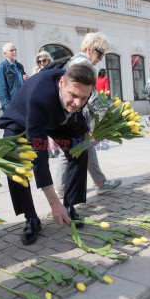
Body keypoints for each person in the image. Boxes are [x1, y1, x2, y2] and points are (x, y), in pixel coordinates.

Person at [0, 64, 95, 244]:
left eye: (84, 97)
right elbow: (38, 151)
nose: (78, 102)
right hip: (20, 120)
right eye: (73, 95)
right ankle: (31, 217)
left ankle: (70, 204)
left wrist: (85, 130)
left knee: (79, 149)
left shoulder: (78, 91)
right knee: (15, 164)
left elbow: (78, 112)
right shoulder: (39, 97)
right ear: (61, 83)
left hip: (55, 119)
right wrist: (53, 202)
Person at [54, 32, 121, 198]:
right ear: (90, 49)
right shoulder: (84, 64)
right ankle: (62, 188)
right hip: (77, 114)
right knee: (70, 149)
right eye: (100, 54)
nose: (100, 59)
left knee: (84, 146)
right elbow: (89, 95)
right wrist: (104, 114)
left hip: (71, 112)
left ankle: (99, 182)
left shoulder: (74, 59)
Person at [0, 43, 29, 111]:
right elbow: (1, 90)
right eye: (11, 50)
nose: (15, 52)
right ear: (5, 53)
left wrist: (25, 80)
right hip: (12, 105)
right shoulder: (2, 67)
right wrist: (8, 107)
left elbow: (21, 83)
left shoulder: (20, 66)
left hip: (23, 102)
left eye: (15, 50)